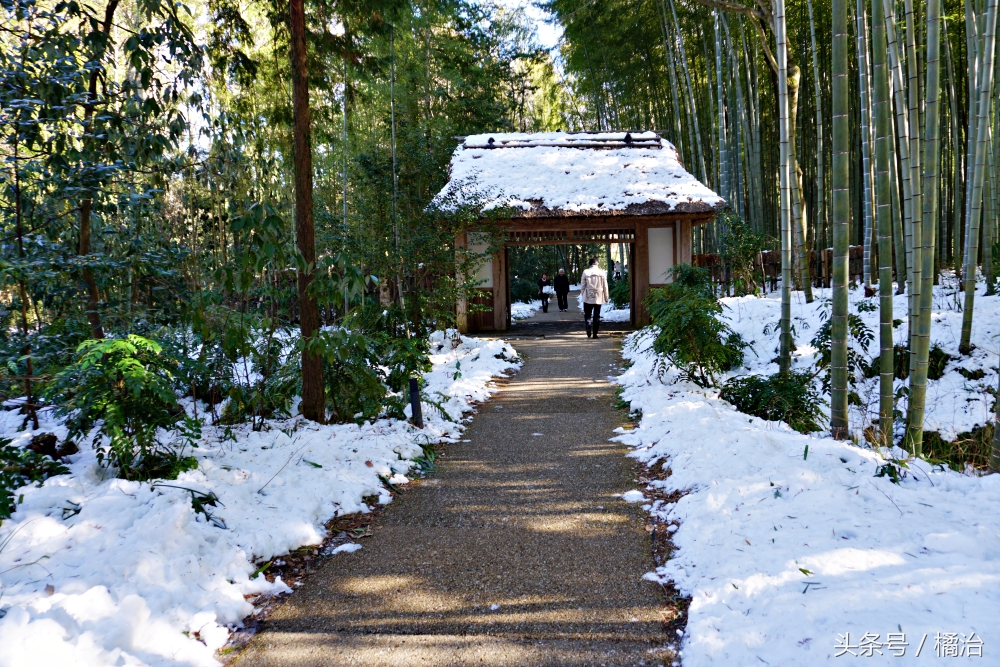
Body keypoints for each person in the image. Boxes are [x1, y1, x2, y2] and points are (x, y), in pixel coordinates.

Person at [579, 257, 609, 338]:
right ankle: (595, 334)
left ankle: (588, 325)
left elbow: (582, 286)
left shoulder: (585, 272)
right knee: (597, 315)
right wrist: (606, 297)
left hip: (588, 296)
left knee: (587, 315)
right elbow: (605, 286)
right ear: (597, 263)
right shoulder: (601, 272)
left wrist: (583, 294)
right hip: (598, 297)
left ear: (590, 264)